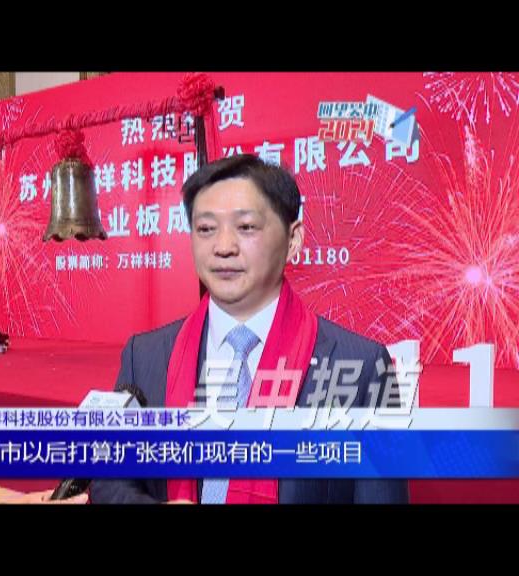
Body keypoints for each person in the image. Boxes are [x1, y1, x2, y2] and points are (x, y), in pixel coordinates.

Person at [90, 154, 408, 504]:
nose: (223, 247)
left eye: (246, 227)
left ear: (293, 239)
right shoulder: (145, 356)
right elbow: (109, 480)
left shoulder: (362, 368)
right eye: (206, 229)